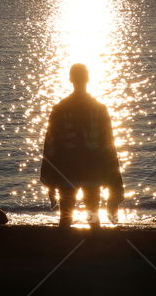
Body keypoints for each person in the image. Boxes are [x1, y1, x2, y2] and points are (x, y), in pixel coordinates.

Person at [41, 64, 125, 229]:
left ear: (70, 79)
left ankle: (64, 247)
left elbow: (51, 144)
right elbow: (108, 144)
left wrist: (50, 175)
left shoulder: (59, 108)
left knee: (65, 216)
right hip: (92, 169)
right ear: (88, 79)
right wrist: (113, 177)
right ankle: (95, 247)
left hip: (67, 169)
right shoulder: (99, 109)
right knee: (93, 216)